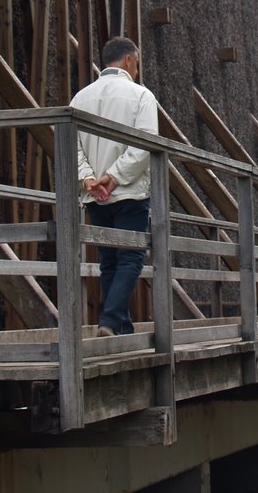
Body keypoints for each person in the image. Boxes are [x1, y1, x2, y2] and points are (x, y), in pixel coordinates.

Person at [70, 37, 158, 336]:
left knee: (108, 261)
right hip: (128, 191)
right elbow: (145, 145)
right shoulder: (140, 96)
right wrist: (115, 176)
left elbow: (73, 147)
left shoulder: (80, 99)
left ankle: (120, 328)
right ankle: (109, 321)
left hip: (95, 195)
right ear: (130, 61)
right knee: (130, 257)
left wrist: (89, 180)